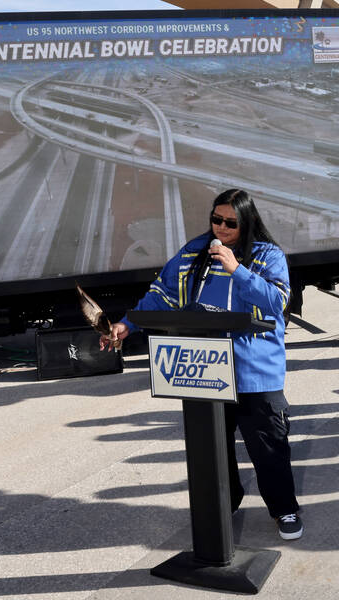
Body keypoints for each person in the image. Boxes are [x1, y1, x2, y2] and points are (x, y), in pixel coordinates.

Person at [104, 188, 303, 540]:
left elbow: (276, 302)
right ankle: (226, 501)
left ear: (248, 222)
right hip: (205, 368)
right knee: (212, 447)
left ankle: (284, 509)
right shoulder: (193, 252)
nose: (222, 228)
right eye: (216, 220)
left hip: (254, 372)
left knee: (269, 446)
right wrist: (126, 324)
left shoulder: (267, 255)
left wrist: (236, 269)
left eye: (231, 223)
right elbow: (162, 295)